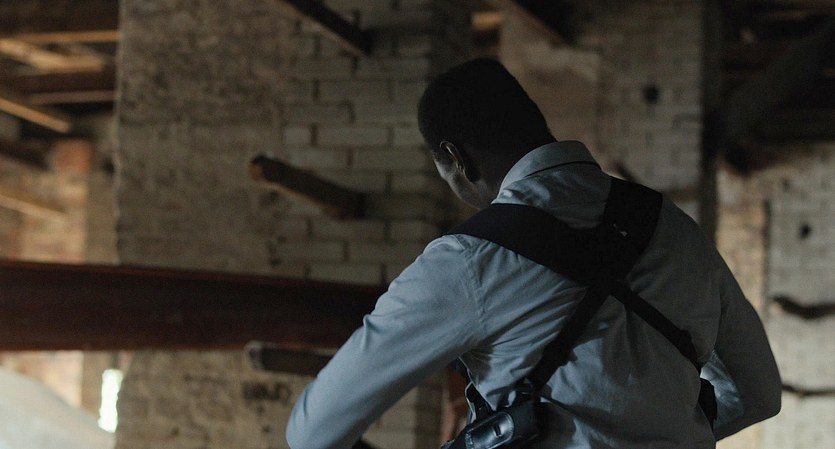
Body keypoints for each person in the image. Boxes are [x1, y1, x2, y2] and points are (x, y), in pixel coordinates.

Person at [286, 58, 782, 449]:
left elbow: (313, 431)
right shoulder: (678, 229)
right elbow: (758, 394)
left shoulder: (468, 261)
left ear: (456, 158)